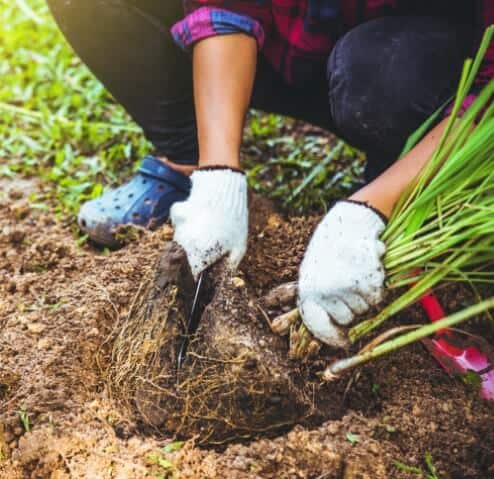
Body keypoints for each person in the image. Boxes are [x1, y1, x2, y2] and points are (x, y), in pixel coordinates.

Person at [47, 0, 493, 347]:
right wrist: (218, 173)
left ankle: (397, 171)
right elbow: (225, 9)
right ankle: (184, 159)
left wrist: (370, 209)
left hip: (405, 72)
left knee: (379, 72)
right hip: (285, 45)